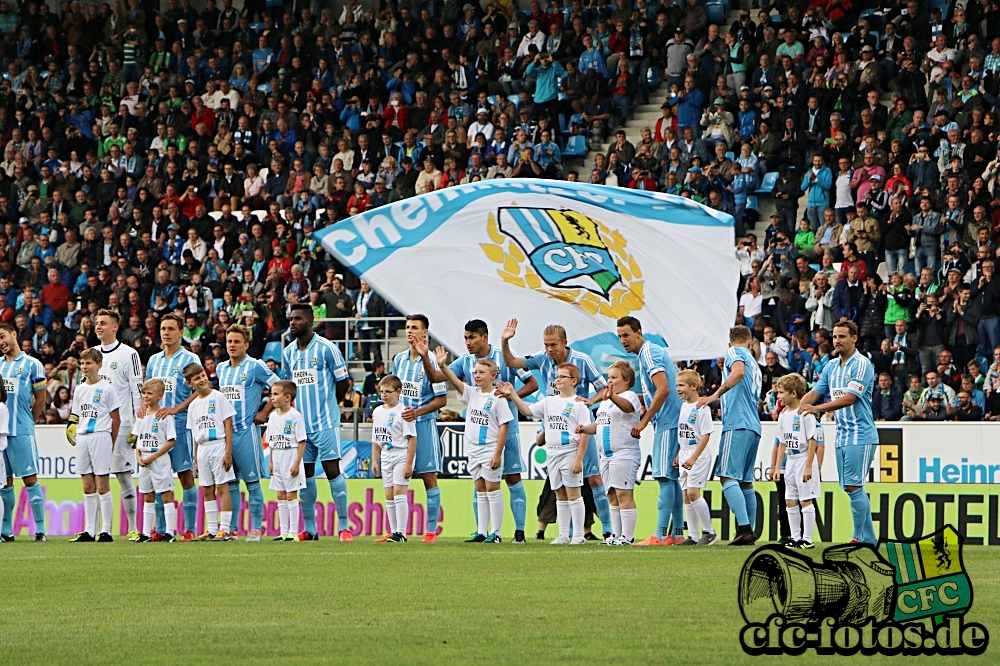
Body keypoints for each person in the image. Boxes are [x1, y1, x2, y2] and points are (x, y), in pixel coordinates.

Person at [416, 319, 538, 543]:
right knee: (480, 481)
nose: (468, 342)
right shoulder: (465, 362)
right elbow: (436, 376)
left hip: (504, 426)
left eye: (472, 337)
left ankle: (518, 531)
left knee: (512, 477)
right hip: (478, 433)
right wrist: (425, 356)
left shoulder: (505, 356)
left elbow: (532, 384)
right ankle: (482, 530)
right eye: (465, 338)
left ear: (485, 337)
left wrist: (510, 396)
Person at [501, 319, 612, 539]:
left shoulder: (581, 361)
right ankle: (567, 532)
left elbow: (603, 388)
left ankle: (608, 529)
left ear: (565, 343)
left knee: (594, 478)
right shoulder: (542, 359)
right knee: (558, 485)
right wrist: (505, 341)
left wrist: (589, 402)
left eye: (553, 345)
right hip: (552, 418)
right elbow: (512, 362)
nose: (549, 350)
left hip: (579, 424)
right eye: (546, 345)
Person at [800, 320, 878, 545]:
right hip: (842, 435)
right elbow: (815, 392)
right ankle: (868, 538)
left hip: (860, 434)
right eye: (835, 337)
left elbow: (850, 398)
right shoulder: (832, 366)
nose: (837, 341)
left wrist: (816, 409)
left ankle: (860, 537)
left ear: (854, 338)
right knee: (850, 487)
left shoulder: (861, 364)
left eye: (842, 337)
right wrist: (796, 409)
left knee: (854, 486)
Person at [498, 364, 592, 545]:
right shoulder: (549, 401)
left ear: (573, 381)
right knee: (559, 494)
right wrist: (513, 395)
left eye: (562, 376)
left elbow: (585, 433)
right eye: (557, 376)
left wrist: (579, 458)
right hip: (552, 452)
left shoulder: (579, 405)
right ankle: (563, 534)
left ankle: (578, 535)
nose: (558, 379)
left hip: (569, 451)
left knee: (574, 493)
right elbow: (527, 411)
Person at [282, 303, 352, 541]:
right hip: (302, 426)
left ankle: (344, 527)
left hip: (325, 423)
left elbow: (344, 382)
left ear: (311, 321)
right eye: (291, 318)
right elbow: (288, 387)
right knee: (306, 475)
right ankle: (310, 529)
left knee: (332, 470)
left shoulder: (326, 348)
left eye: (298, 319)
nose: (293, 323)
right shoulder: (289, 352)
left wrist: (332, 405)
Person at [434, 348, 514, 543]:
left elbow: (504, 427)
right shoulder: (473, 393)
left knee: (492, 488)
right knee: (480, 488)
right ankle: (481, 531)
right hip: (474, 448)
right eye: (475, 372)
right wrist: (443, 365)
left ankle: (496, 532)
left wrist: (497, 453)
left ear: (493, 376)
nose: (476, 376)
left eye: (481, 372)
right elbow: (455, 381)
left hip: (490, 447)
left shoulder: (498, 398)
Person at [616, 316, 683, 546]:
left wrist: (644, 421)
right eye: (620, 336)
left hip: (668, 421)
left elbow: (663, 389)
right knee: (671, 479)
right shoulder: (648, 353)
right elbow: (657, 391)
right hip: (671, 420)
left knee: (664, 477)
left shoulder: (648, 353)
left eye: (626, 335)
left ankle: (660, 535)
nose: (623, 340)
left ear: (638, 332)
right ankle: (676, 534)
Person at [697, 325, 763, 545]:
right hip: (753, 425)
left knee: (726, 476)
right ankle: (748, 532)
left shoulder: (735, 352)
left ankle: (744, 528)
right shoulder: (755, 363)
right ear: (750, 341)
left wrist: (715, 394)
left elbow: (738, 372)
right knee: (745, 482)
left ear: (730, 343)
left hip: (737, 423)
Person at [144, 313, 201, 541]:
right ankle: (160, 529)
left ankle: (189, 528)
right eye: (163, 329)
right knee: (159, 475)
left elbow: (199, 389)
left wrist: (177, 408)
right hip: (156, 426)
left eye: (170, 329)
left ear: (180, 332)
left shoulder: (189, 359)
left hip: (180, 424)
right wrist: (142, 409)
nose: (166, 333)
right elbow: (145, 389)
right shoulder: (155, 360)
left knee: (185, 475)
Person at [217, 324, 277, 541]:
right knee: (230, 483)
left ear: (246, 344)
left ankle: (255, 529)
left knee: (252, 483)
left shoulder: (255, 367)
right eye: (229, 341)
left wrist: (265, 411)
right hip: (226, 434)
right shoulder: (221, 368)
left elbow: (279, 387)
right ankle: (232, 529)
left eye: (236, 341)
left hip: (246, 431)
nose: (232, 345)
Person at [391, 314, 447, 542]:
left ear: (425, 332)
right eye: (407, 327)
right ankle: (397, 530)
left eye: (414, 327)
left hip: (423, 425)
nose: (409, 331)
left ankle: (431, 531)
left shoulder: (433, 361)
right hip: (400, 427)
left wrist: (418, 412)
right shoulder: (399, 360)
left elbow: (441, 400)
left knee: (428, 477)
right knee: (395, 478)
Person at [576, 361, 642, 546]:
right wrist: (584, 428)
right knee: (612, 495)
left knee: (624, 494)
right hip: (606, 455)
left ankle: (627, 537)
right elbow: (600, 425)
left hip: (624, 453)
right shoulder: (606, 402)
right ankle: (616, 535)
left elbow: (627, 408)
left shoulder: (629, 397)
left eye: (614, 377)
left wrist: (611, 396)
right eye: (608, 377)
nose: (609, 381)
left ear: (627, 380)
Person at [93, 309, 143, 541]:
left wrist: (137, 423)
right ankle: (99, 530)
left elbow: (136, 389)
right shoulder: (92, 355)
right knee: (97, 478)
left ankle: (132, 527)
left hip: (121, 425)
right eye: (96, 323)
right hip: (96, 427)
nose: (98, 326)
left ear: (115, 327)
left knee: (123, 476)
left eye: (103, 323)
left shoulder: (128, 353)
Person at [68, 348, 121, 542]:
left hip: (100, 436)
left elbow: (116, 419)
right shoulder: (80, 389)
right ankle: (89, 530)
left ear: (99, 365)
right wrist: (71, 427)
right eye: (82, 363)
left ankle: (105, 530)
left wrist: (111, 441)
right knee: (88, 485)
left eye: (88, 363)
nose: (84, 367)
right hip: (83, 437)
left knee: (102, 484)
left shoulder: (107, 388)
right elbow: (76, 415)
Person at [0, 322, 47, 541]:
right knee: (5, 483)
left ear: (13, 334)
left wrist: (29, 421)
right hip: (1, 434)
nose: (1, 343)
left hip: (21, 431)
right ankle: (6, 530)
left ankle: (40, 530)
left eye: (2, 337)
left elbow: (41, 399)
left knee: (30, 479)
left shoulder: (32, 365)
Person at [184, 363, 237, 541]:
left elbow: (228, 425)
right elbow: (194, 433)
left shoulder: (218, 397)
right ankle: (212, 529)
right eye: (196, 378)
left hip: (218, 445)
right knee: (207, 489)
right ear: (190, 383)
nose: (201, 380)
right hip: (202, 449)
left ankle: (225, 528)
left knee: (222, 487)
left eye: (202, 376)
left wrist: (228, 451)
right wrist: (195, 459)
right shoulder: (193, 406)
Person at [771, 374, 820, 549]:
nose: (778, 396)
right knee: (789, 500)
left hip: (803, 458)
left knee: (805, 500)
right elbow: (782, 443)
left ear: (793, 393)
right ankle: (795, 537)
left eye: (781, 392)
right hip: (790, 461)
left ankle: (807, 539)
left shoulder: (805, 414)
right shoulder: (783, 416)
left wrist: (808, 466)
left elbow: (813, 440)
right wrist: (777, 467)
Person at [675, 369, 718, 547]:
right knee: (686, 495)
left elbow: (706, 434)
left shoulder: (702, 407)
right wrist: (680, 452)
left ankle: (709, 532)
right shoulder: (684, 406)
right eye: (676, 385)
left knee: (693, 492)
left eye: (681, 385)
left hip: (697, 454)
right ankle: (692, 535)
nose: (678, 389)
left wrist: (693, 457)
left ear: (694, 386)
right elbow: (684, 432)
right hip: (685, 451)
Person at [131, 379, 177, 542]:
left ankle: (170, 532)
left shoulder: (164, 417)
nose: (146, 396)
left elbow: (171, 441)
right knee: (147, 495)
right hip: (144, 460)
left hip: (158, 459)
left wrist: (153, 456)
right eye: (144, 393)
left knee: (165, 494)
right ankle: (145, 532)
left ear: (160, 396)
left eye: (149, 393)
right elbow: (136, 441)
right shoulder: (141, 416)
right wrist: (139, 457)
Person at [264, 380, 308, 542]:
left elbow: (302, 441)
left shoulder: (295, 416)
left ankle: (293, 532)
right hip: (277, 458)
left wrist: (296, 462)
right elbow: (271, 442)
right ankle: (283, 532)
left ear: (287, 397)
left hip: (290, 456)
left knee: (291, 494)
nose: (272, 398)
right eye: (271, 394)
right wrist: (270, 461)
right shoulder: (273, 417)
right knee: (280, 494)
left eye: (275, 394)